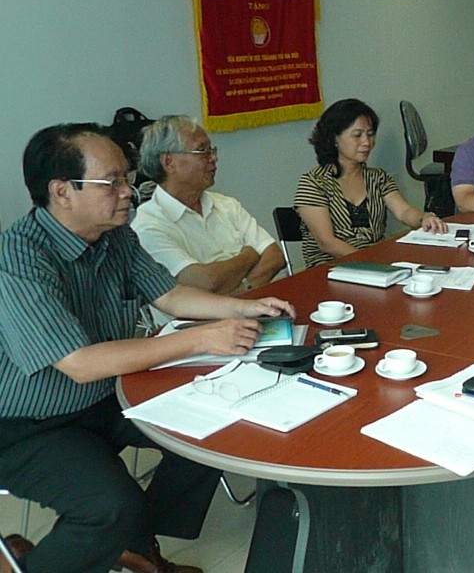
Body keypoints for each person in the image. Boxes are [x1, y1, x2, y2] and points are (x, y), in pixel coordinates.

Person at [0, 124, 296, 573]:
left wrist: (243, 306)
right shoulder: (19, 258)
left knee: (211, 429)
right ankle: (90, 545)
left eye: (127, 177)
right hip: (29, 422)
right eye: (112, 182)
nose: (128, 191)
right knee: (110, 508)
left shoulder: (114, 235)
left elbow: (169, 294)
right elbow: (79, 363)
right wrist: (199, 337)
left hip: (107, 395)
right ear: (62, 192)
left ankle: (136, 546)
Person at [131, 116, 286, 318]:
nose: (214, 158)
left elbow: (275, 256)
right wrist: (249, 254)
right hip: (196, 327)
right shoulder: (148, 225)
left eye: (212, 150)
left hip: (258, 310)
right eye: (202, 151)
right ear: (169, 162)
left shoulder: (226, 204)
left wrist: (242, 291)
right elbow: (205, 282)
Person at [294, 98, 447, 268]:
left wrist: (424, 218)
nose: (367, 142)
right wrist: (370, 263)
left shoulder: (378, 178)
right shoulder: (314, 182)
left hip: (376, 263)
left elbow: (404, 211)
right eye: (357, 135)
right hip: (331, 267)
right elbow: (327, 242)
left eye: (370, 134)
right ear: (334, 138)